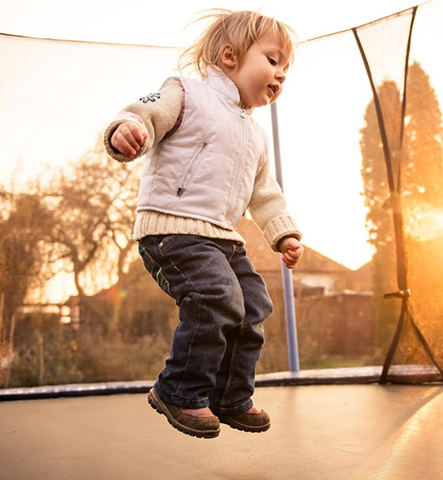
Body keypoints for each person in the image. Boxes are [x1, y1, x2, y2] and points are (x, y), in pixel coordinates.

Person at [103, 9, 303, 439]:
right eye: (272, 60)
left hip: (222, 239)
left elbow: (264, 193)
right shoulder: (186, 94)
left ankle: (228, 395)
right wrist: (126, 128)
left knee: (252, 306)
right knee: (217, 296)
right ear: (230, 56)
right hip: (173, 230)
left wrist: (283, 232)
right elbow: (144, 114)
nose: (280, 74)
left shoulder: (256, 136)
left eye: (285, 69)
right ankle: (178, 390)